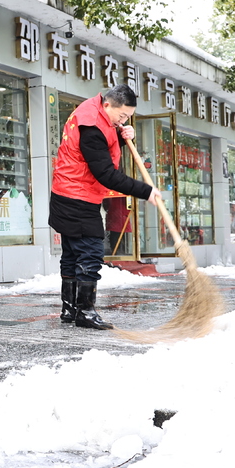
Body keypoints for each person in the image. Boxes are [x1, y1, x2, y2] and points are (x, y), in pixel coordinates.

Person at [50, 84, 161, 330]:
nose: (123, 121)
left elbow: (99, 151)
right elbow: (106, 173)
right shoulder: (91, 125)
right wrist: (146, 190)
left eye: (128, 118)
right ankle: (85, 312)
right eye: (121, 116)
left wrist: (122, 137)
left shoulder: (95, 109)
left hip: (66, 190)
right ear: (108, 105)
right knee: (90, 252)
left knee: (71, 254)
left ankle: (70, 310)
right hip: (77, 195)